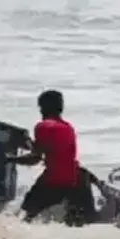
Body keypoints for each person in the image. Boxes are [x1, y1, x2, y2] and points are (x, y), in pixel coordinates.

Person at [11, 89, 92, 226]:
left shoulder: (43, 127)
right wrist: (30, 143)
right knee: (77, 223)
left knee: (25, 215)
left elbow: (35, 158)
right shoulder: (67, 127)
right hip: (76, 180)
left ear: (42, 108)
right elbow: (54, 150)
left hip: (54, 180)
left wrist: (10, 160)